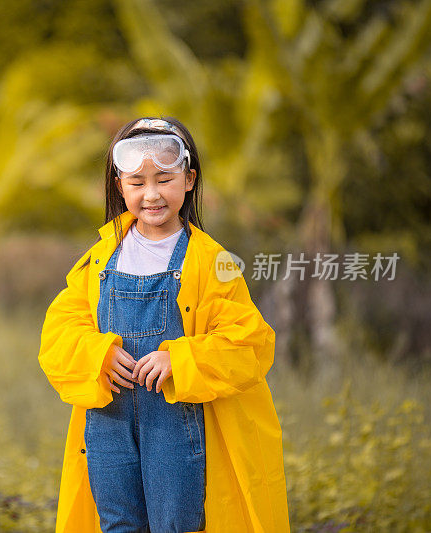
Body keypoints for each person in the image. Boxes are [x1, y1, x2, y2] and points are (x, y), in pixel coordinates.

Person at [38, 116, 289, 533]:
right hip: (108, 421)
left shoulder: (214, 262)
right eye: (137, 183)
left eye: (164, 180)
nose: (151, 195)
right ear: (120, 187)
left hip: (176, 423)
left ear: (189, 180)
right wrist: (97, 353)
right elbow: (60, 330)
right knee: (117, 523)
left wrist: (181, 359)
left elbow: (250, 343)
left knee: (176, 523)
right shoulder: (99, 258)